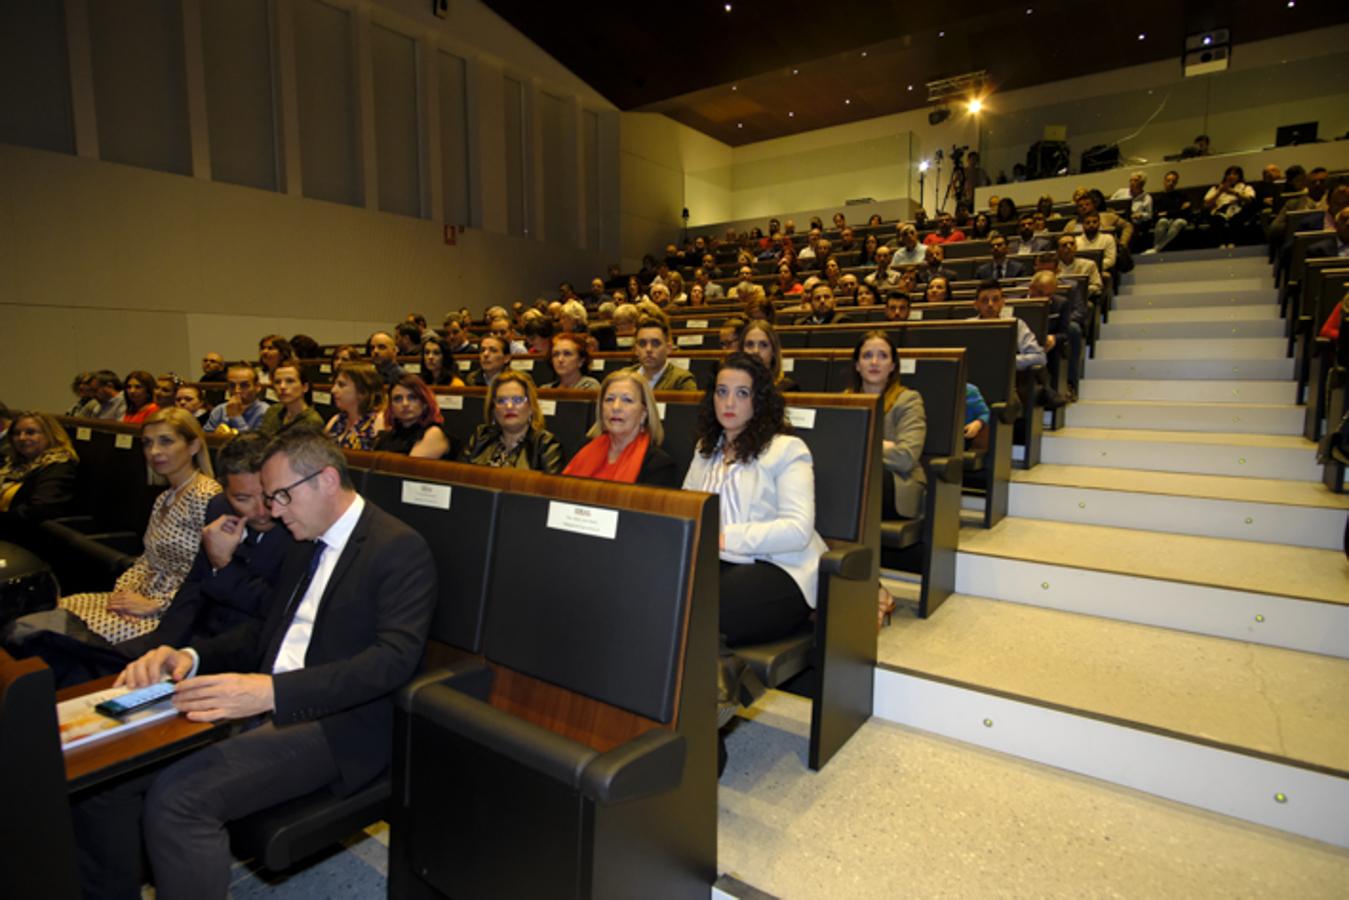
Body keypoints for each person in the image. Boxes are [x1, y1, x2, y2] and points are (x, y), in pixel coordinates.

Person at [91, 429, 436, 900]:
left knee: (180, 799)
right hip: (263, 696)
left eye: (280, 496)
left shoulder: (398, 547)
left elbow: (392, 662)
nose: (271, 510)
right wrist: (191, 657)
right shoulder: (303, 539)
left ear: (327, 480)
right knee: (107, 777)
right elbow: (264, 629)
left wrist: (271, 693)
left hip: (334, 721)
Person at [683, 352, 828, 649]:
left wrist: (723, 538)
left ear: (758, 400)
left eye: (742, 393)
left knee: (705, 610)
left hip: (778, 565)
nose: (729, 402)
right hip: (715, 560)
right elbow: (686, 508)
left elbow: (798, 529)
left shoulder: (786, 449)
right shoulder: (705, 449)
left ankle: (724, 680)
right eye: (721, 392)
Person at [56, 408, 221, 643]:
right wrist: (125, 595)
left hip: (175, 612)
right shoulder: (164, 497)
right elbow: (147, 559)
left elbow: (213, 573)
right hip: (142, 596)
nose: (154, 452)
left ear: (193, 446)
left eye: (166, 441)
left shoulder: (206, 495)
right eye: (147, 443)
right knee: (60, 610)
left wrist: (155, 605)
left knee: (71, 635)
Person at [848, 332, 926, 625]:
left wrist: (864, 445)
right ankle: (873, 590)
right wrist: (882, 444)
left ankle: (866, 590)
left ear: (893, 365)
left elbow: (906, 456)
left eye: (882, 355)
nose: (874, 362)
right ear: (857, 364)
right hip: (857, 485)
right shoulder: (845, 400)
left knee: (853, 487)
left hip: (898, 485)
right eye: (867, 355)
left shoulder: (908, 400)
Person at [563, 372, 677, 487]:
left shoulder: (658, 465)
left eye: (627, 400)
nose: (616, 407)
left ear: (643, 413)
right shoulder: (583, 448)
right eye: (609, 399)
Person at [459, 371, 563, 473]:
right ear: (493, 409)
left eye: (517, 400)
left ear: (531, 407)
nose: (509, 406)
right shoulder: (481, 437)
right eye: (501, 401)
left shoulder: (545, 445)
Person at [0, 411, 79, 535]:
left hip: (28, 537)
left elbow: (39, 509)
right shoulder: (13, 463)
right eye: (16, 433)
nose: (22, 438)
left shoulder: (59, 466)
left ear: (50, 435)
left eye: (30, 432)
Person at [1029, 270, 1085, 399]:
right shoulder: (1017, 302)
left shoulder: (1061, 303)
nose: (1044, 299)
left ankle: (1054, 392)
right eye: (1041, 293)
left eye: (1049, 295)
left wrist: (1054, 338)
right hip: (1023, 344)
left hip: (1047, 343)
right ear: (1031, 288)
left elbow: (1064, 333)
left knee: (1060, 345)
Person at [969, 281, 1046, 370]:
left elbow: (1039, 357)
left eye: (995, 299)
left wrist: (1006, 362)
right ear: (976, 304)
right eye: (984, 300)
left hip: (1008, 378)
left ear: (1002, 303)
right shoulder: (966, 326)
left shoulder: (1016, 324)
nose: (990, 305)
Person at [373, 375, 453, 459]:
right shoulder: (387, 436)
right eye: (398, 399)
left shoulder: (433, 433)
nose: (405, 404)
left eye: (412, 397)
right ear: (391, 407)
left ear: (425, 403)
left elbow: (406, 469)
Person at [323, 363, 385, 450]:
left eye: (341, 385)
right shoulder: (335, 420)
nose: (333, 390)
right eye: (334, 384)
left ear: (362, 391)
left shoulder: (378, 422)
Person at [256, 362, 324, 437]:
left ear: (305, 387)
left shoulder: (312, 421)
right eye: (277, 382)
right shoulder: (272, 411)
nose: (282, 386)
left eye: (290, 381)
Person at [632, 317, 699, 391]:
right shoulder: (623, 375)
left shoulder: (682, 380)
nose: (648, 349)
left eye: (655, 343)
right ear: (635, 350)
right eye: (642, 343)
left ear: (668, 348)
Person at [204, 364, 270, 434]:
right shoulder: (219, 410)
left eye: (244, 385)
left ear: (257, 387)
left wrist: (235, 417)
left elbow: (255, 443)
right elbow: (204, 438)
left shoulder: (265, 411)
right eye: (232, 385)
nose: (237, 390)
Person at [1203, 165, 1256, 247]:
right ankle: (1221, 244)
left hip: (1238, 211)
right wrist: (1219, 192)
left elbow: (1249, 201)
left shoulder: (1246, 187)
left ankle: (1233, 243)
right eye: (1229, 174)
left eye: (1235, 174)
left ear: (1239, 176)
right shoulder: (1216, 188)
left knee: (1236, 219)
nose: (1231, 176)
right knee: (1216, 220)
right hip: (1220, 212)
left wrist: (1234, 193)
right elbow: (1206, 204)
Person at [741, 321, 799, 393]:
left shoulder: (787, 388)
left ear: (774, 352)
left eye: (763, 345)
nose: (755, 351)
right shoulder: (733, 386)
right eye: (750, 344)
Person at [1148, 170, 1192, 254]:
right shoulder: (1159, 198)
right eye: (1168, 181)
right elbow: (1157, 214)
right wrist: (1176, 211)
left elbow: (1184, 212)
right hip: (1166, 220)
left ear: (1176, 183)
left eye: (1173, 181)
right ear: (1164, 181)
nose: (1171, 183)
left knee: (1178, 222)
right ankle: (1157, 247)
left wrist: (1167, 213)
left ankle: (1156, 248)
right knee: (1162, 221)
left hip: (1180, 220)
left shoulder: (1182, 196)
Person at [1055, 234, 1104, 302]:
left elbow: (1097, 286)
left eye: (1072, 244)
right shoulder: (1051, 268)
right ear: (1057, 250)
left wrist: (1080, 292)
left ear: (1076, 247)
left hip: (1082, 300)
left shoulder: (1089, 265)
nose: (1069, 247)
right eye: (1064, 245)